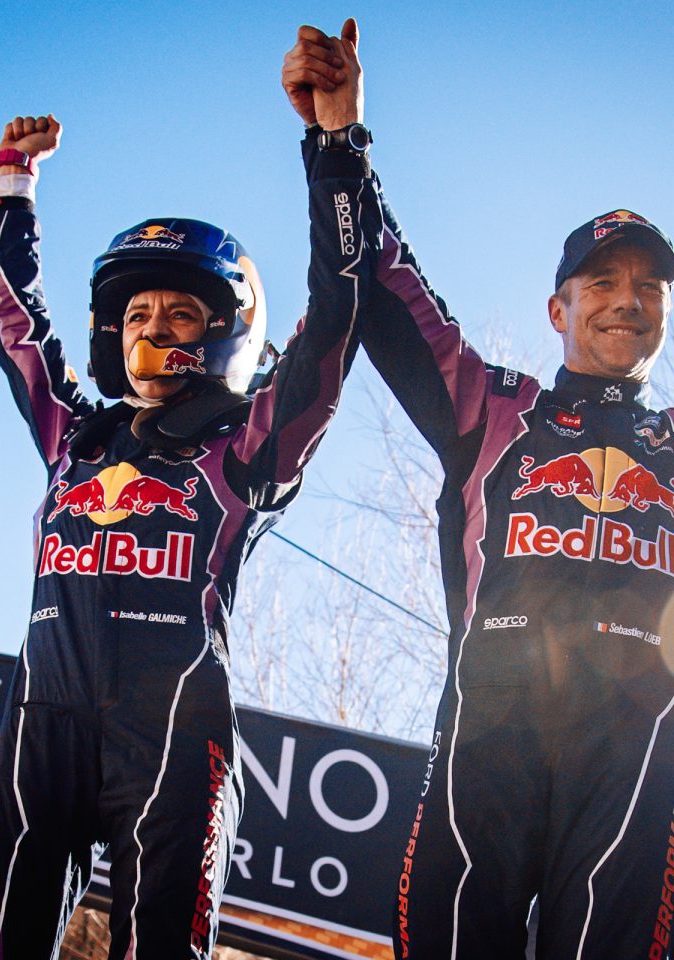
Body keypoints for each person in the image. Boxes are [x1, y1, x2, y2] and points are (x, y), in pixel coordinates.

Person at [284, 20, 674, 960]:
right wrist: (339, 143)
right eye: (602, 281)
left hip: (639, 768)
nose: (628, 299)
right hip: (487, 741)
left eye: (651, 286)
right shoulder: (494, 409)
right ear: (559, 307)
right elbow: (386, 289)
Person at [0, 113, 380, 959]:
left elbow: (335, 321)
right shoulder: (74, 437)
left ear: (227, 330)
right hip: (43, 728)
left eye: (181, 313)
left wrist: (335, 154)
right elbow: (19, 328)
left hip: (177, 740)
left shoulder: (248, 444)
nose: (152, 328)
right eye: (137, 312)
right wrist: (15, 192)